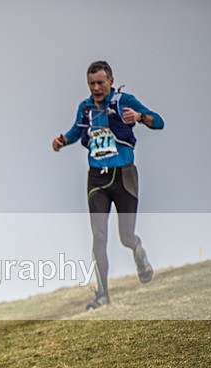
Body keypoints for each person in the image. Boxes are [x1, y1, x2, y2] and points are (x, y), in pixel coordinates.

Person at [52, 60, 164, 310]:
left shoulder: (126, 101)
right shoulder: (85, 108)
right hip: (97, 179)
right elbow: (74, 132)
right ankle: (102, 294)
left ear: (111, 81)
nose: (96, 88)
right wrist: (62, 141)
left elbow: (159, 121)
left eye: (100, 82)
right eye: (91, 83)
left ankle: (138, 251)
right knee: (99, 236)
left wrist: (139, 117)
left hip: (124, 175)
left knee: (125, 237)